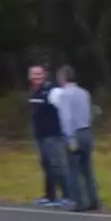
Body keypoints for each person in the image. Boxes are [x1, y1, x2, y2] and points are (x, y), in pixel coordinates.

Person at [26, 65, 74, 209]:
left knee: (57, 165)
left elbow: (66, 109)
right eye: (34, 74)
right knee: (47, 166)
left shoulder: (53, 91)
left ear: (45, 75)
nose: (37, 76)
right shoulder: (34, 92)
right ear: (30, 76)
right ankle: (50, 196)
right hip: (40, 136)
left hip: (53, 135)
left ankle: (68, 196)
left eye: (40, 74)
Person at [57, 65, 100, 211]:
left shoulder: (64, 95)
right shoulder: (84, 93)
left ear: (63, 77)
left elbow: (66, 118)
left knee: (73, 169)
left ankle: (78, 202)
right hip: (87, 131)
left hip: (75, 133)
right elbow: (91, 112)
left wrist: (70, 138)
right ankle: (94, 200)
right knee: (87, 169)